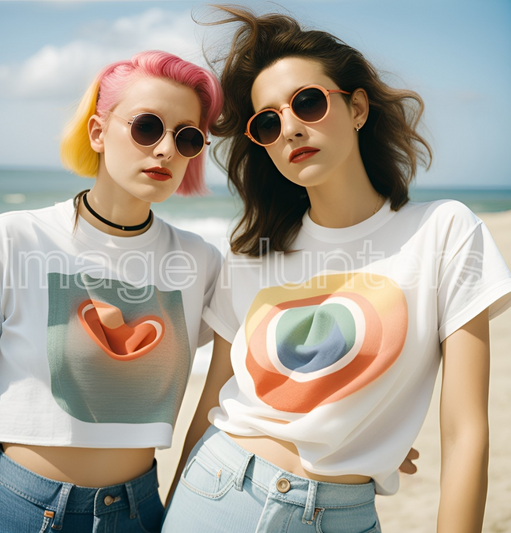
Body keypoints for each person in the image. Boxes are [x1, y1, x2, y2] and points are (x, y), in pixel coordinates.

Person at [162, 7, 511, 533]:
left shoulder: (444, 232)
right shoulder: (254, 251)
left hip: (344, 517)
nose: (291, 128)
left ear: (357, 109)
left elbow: (466, 433)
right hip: (216, 492)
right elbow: (213, 401)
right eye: (268, 122)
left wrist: (374, 436)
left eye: (308, 101)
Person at [0, 50, 222, 532]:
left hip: (141, 512)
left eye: (187, 137)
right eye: (148, 127)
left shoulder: (201, 263)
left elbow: (254, 378)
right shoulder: (12, 239)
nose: (167, 150)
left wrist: (368, 432)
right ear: (98, 132)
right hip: (18, 511)